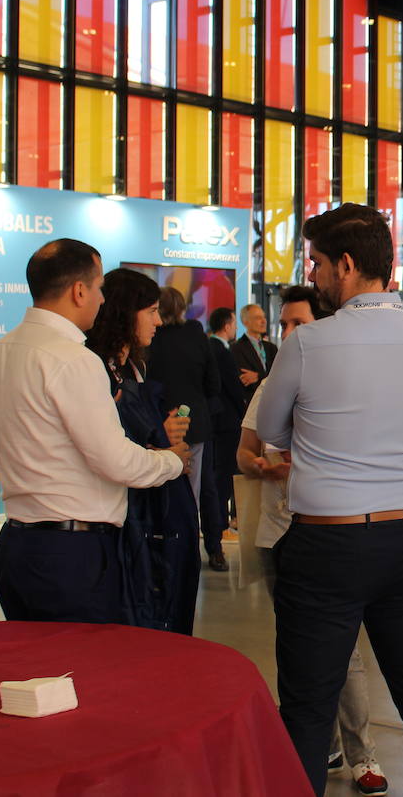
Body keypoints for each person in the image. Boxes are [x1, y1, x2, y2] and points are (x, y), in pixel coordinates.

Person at [256, 204, 403, 796]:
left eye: (320, 263)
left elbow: (271, 434)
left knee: (306, 707)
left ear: (346, 265)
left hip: (329, 542)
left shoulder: (309, 344)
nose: (317, 275)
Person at [0, 239, 188, 624]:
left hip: (16, 544)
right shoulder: (74, 359)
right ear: (79, 291)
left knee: (34, 677)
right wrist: (171, 461)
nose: (101, 299)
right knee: (81, 674)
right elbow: (117, 462)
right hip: (72, 551)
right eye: (98, 289)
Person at [237, 284, 388, 797]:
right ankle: (321, 744)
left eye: (298, 323)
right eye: (283, 325)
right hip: (278, 533)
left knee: (345, 652)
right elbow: (245, 449)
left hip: (331, 530)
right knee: (297, 650)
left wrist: (301, 466)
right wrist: (260, 464)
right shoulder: (271, 385)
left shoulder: (341, 385)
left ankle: (363, 753)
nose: (288, 333)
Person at [85, 268, 200, 634]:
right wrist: (160, 441)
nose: (157, 320)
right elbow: (107, 450)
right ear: (124, 312)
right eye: (150, 310)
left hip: (159, 514)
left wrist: (163, 435)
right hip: (128, 522)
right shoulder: (93, 370)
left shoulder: (134, 368)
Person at [147, 287, 223, 569]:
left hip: (158, 426)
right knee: (201, 490)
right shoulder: (195, 333)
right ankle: (211, 549)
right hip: (195, 424)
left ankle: (168, 552)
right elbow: (212, 382)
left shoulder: (151, 340)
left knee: (163, 494)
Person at [208, 307, 247, 555]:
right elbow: (231, 386)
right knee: (224, 475)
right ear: (226, 324)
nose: (236, 327)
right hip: (227, 422)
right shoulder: (220, 350)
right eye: (234, 322)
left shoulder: (214, 348)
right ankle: (222, 523)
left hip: (219, 422)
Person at [232, 303, 277, 406]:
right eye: (258, 318)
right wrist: (267, 377)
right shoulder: (237, 348)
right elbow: (246, 380)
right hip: (251, 404)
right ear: (245, 321)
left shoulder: (271, 348)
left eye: (264, 317)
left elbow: (279, 377)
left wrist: (259, 376)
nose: (263, 321)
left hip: (273, 402)